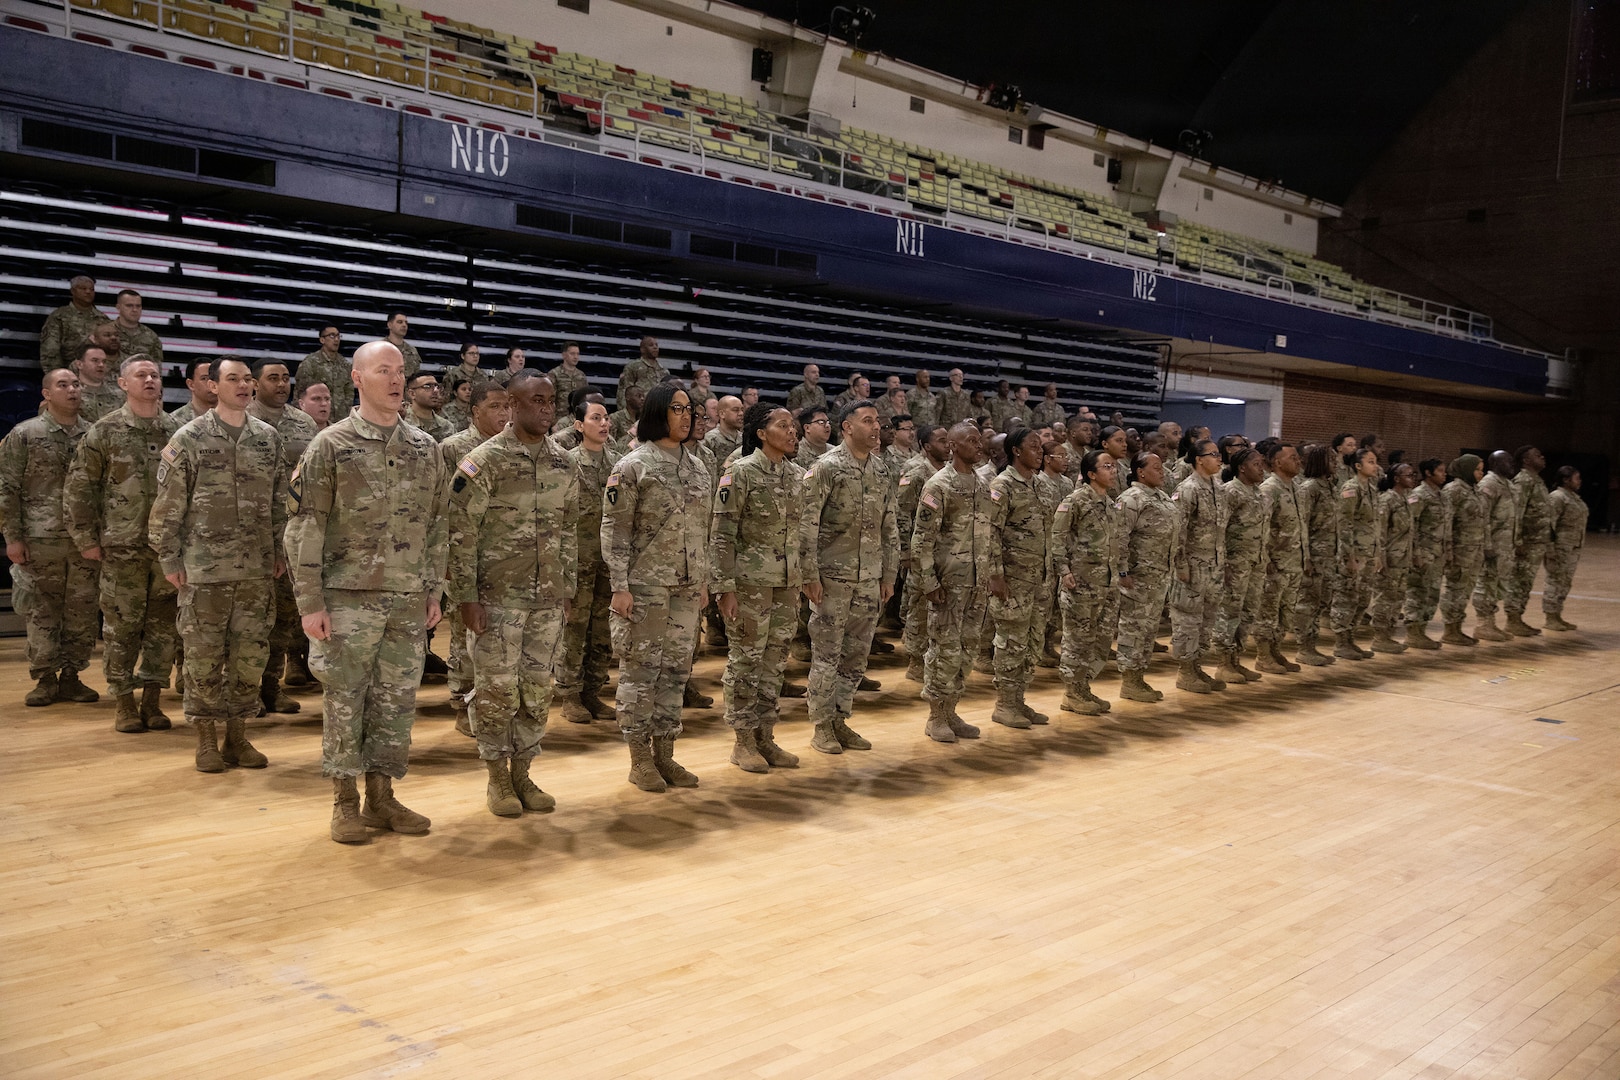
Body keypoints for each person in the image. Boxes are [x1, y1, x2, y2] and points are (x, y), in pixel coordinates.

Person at [285, 340, 448, 844]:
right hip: (347, 598)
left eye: (401, 371)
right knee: (344, 700)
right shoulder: (330, 445)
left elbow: (438, 523)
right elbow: (304, 526)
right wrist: (310, 602)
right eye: (384, 371)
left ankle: (382, 797)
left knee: (395, 702)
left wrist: (433, 589)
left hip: (406, 599)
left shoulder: (425, 448)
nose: (397, 380)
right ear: (357, 379)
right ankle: (344, 802)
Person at [447, 373, 576, 818]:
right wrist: (465, 596)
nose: (546, 408)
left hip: (547, 598)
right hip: (496, 598)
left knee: (538, 688)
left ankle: (523, 770)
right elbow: (460, 533)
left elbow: (570, 530)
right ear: (512, 405)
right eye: (536, 400)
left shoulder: (564, 462)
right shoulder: (484, 461)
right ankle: (496, 778)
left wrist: (567, 588)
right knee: (496, 691)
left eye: (551, 401)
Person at [149, 356, 287, 772]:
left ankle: (238, 738)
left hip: (257, 569)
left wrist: (280, 551)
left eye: (248, 379)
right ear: (212, 386)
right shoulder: (189, 438)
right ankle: (206, 740)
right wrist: (170, 556)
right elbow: (167, 506)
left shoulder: (268, 438)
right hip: (203, 569)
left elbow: (281, 502)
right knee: (203, 656)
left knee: (249, 656)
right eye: (233, 379)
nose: (243, 386)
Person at [601, 381, 712, 792]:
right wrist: (619, 586)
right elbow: (615, 529)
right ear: (657, 413)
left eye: (690, 409)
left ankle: (666, 754)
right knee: (639, 673)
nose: (687, 416)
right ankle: (639, 759)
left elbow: (705, 528)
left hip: (685, 587)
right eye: (677, 409)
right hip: (644, 586)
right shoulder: (632, 465)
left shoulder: (698, 466)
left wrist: (702, 581)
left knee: (676, 673)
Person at [64, 355, 180, 733]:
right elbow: (80, 487)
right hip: (122, 545)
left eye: (154, 375)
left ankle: (152, 699)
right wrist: (85, 538)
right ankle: (124, 702)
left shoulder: (176, 431)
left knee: (163, 628)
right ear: (122, 383)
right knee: (121, 627)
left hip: (165, 549)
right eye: (140, 375)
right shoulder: (105, 431)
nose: (149, 380)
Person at [797, 401, 897, 752]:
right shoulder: (826, 468)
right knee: (827, 655)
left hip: (869, 578)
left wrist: (889, 574)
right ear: (847, 427)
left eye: (878, 422)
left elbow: (889, 526)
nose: (876, 427)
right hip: (831, 579)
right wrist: (809, 574)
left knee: (856, 655)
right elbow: (806, 525)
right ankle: (821, 726)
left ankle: (841, 719)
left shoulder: (882, 470)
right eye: (868, 421)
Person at [711, 403, 805, 773]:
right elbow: (721, 536)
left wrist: (806, 577)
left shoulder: (797, 475)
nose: (793, 431)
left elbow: (803, 533)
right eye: (784, 426)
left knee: (775, 660)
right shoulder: (740, 472)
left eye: (794, 426)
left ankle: (766, 736)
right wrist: (723, 588)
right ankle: (743, 741)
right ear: (762, 433)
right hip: (749, 583)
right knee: (746, 661)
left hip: (786, 583)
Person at [1, 368, 100, 707]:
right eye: (63, 385)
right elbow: (7, 488)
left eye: (76, 384)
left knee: (82, 612)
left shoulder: (93, 435)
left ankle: (72, 675)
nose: (72, 389)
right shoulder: (25, 434)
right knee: (42, 611)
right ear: (46, 394)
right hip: (40, 538)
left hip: (84, 540)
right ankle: (44, 677)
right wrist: (12, 537)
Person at [435, 381, 512, 733]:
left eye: (506, 406)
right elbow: (441, 506)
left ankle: (495, 704)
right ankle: (463, 703)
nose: (503, 413)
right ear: (475, 410)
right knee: (464, 634)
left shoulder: (512, 448)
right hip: (465, 554)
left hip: (506, 558)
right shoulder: (453, 448)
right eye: (495, 406)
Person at [248, 357, 321, 714]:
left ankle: (270, 687)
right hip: (248, 537)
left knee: (283, 621)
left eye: (285, 378)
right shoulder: (242, 420)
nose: (280, 384)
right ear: (255, 383)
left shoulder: (304, 423)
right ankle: (245, 694)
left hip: (290, 536)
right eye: (272, 378)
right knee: (249, 623)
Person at [911, 422, 990, 742]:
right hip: (949, 583)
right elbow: (921, 540)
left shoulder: (983, 484)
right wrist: (928, 582)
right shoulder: (938, 485)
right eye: (970, 441)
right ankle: (936, 716)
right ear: (954, 446)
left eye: (979, 440)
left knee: (967, 650)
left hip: (976, 583)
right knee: (943, 650)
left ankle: (952, 709)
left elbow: (989, 534)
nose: (978, 445)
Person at [985, 427, 1055, 729]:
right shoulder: (1002, 485)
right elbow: (990, 533)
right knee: (1011, 642)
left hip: (1039, 578)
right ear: (1016, 451)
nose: (1040, 452)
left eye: (1041, 448)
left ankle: (1019, 700)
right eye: (1033, 447)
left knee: (1032, 642)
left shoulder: (1042, 486)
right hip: (1012, 579)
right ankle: (1004, 703)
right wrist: (996, 576)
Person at [556, 395, 619, 725]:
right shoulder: (566, 462)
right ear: (579, 426)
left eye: (606, 418)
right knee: (574, 628)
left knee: (602, 629)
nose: (604, 423)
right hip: (577, 559)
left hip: (608, 561)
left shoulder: (618, 464)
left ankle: (592, 691)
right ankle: (569, 693)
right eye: (596, 418)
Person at [1051, 449, 1119, 715]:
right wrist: (1063, 570)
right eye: (1106, 467)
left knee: (1099, 640)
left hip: (1106, 583)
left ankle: (1084, 686)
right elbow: (1057, 536)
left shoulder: (1110, 503)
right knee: (1077, 640)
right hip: (1080, 583)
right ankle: (1072, 693)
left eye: (1113, 466)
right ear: (1091, 474)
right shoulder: (1076, 500)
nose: (1112, 471)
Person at [1114, 452, 1178, 702]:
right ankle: (1129, 679)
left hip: (1159, 575)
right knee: (1133, 627)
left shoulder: (1161, 497)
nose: (1162, 471)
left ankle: (1139, 676)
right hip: (1138, 576)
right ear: (1140, 472)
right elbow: (1119, 537)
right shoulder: (1131, 499)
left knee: (1149, 629)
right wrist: (1122, 572)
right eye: (1156, 467)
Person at [1169, 438, 1228, 693]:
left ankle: (1197, 666)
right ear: (1198, 459)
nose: (1219, 458)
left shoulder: (1218, 486)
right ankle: (1185, 670)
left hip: (1214, 566)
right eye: (1213, 454)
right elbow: (1178, 530)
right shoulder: (1188, 489)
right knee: (1187, 620)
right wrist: (1181, 564)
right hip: (1192, 566)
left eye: (1218, 454)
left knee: (1207, 620)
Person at [897, 425, 948, 680]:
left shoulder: (950, 474)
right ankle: (915, 659)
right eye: (941, 441)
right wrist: (906, 551)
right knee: (918, 605)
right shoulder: (916, 472)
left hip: (945, 553)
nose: (947, 444)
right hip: (921, 550)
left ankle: (933, 656)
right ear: (927, 446)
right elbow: (902, 513)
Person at [1213, 447, 1268, 684]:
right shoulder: (1230, 492)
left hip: (1255, 561)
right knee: (1229, 612)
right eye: (1256, 464)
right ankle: (1223, 663)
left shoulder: (1260, 493)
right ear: (1242, 468)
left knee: (1248, 612)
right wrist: (1222, 563)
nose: (1261, 468)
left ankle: (1236, 659)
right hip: (1234, 563)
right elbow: (1219, 528)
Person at [1255, 441, 1306, 674]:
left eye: (1297, 457)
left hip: (1294, 560)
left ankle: (1276, 651)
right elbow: (1262, 527)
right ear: (1277, 462)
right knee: (1268, 611)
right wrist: (1265, 560)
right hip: (1275, 563)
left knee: (1286, 611)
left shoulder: (1296, 488)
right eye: (1292, 457)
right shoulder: (1269, 489)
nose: (1298, 461)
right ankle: (1263, 656)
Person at [1293, 444, 1343, 667]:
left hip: (1329, 555)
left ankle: (1312, 644)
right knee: (1307, 603)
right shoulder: (1309, 488)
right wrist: (1306, 557)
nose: (1336, 463)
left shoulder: (1330, 487)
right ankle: (1305, 647)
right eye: (1331, 459)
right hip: (1314, 555)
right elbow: (1302, 523)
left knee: (1322, 601)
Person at [1330, 447, 1381, 660]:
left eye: (1376, 461)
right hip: (1355, 552)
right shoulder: (1351, 488)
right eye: (1370, 461)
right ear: (1358, 466)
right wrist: (1348, 556)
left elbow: (1374, 524)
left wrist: (1377, 553)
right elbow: (1344, 523)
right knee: (1347, 596)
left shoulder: (1371, 488)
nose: (1375, 465)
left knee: (1362, 598)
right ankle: (1341, 642)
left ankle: (1351, 638)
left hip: (1369, 551)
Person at [1402, 458, 1451, 649]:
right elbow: (1410, 525)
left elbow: (1446, 526)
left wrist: (1448, 551)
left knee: (1432, 594)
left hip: (1438, 553)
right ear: (1428, 473)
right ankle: (1413, 632)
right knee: (1417, 591)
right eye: (1440, 471)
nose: (1444, 474)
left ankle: (1421, 630)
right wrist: (1415, 553)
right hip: (1423, 552)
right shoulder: (1419, 495)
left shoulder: (1442, 495)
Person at [1439, 454, 1487, 646]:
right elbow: (1447, 522)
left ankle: (1457, 626)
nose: (1481, 473)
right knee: (1455, 588)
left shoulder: (1476, 491)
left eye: (1482, 469)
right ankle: (1450, 629)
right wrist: (1448, 551)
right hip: (1459, 550)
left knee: (1466, 589)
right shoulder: (1454, 490)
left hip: (1475, 550)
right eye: (1477, 469)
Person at [1471, 450, 1519, 642]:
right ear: (1496, 464)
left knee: (1498, 585)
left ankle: (1491, 624)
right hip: (1493, 546)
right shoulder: (1489, 484)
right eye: (1507, 461)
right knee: (1487, 583)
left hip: (1505, 546)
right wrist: (1486, 545)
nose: (1511, 464)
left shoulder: (1508, 484)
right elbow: (1482, 517)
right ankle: (1483, 625)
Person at [1369, 462, 1417, 653]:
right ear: (1396, 478)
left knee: (1397, 598)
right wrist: (1380, 558)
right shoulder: (1387, 499)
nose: (1412, 478)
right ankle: (1379, 637)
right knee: (1384, 598)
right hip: (1389, 558)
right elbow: (1379, 532)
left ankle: (1388, 635)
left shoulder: (1405, 498)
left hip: (1402, 558)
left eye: (1413, 475)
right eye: (1408, 475)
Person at [1504, 446, 1549, 637]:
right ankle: (1513, 620)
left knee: (1526, 582)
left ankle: (1517, 618)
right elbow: (1517, 512)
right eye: (1537, 455)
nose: (1542, 457)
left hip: (1536, 542)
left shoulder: (1536, 480)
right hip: (1526, 543)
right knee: (1519, 581)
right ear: (1526, 460)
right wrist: (1518, 541)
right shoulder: (1523, 480)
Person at [1542, 467, 1587, 631]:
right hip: (1560, 547)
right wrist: (1550, 549)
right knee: (1554, 581)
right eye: (1576, 478)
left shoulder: (1574, 498)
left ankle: (1557, 614)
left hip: (1572, 547)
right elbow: (1548, 524)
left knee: (1565, 582)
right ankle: (1550, 617)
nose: (1579, 481)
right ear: (1566, 480)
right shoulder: (1557, 497)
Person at [39, 275, 106, 372]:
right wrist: (58, 376)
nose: (88, 292)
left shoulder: (103, 319)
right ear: (73, 291)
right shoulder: (59, 317)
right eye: (83, 288)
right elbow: (50, 351)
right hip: (69, 372)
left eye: (91, 289)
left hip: (97, 373)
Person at [299, 326, 353, 417]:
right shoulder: (311, 363)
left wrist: (346, 408)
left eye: (338, 336)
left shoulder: (345, 364)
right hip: (316, 417)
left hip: (340, 417)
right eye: (332, 336)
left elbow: (349, 391)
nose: (336, 339)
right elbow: (301, 391)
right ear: (322, 340)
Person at [71, 340, 124, 423]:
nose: (101, 365)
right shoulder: (70, 394)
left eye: (104, 361)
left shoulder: (119, 394)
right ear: (79, 364)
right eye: (95, 360)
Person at [112, 289, 164, 367]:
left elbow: (156, 368)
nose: (134, 310)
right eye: (129, 306)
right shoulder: (105, 332)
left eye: (138, 306)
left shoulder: (151, 337)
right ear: (118, 307)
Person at [615, 335, 668, 411]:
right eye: (651, 345)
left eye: (656, 345)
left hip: (659, 410)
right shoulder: (633, 366)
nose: (655, 347)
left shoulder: (664, 370)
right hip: (640, 410)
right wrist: (625, 412)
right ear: (642, 349)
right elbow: (625, 391)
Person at [402, 371, 453, 441]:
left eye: (436, 386)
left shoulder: (446, 426)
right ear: (412, 394)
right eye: (427, 386)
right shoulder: (402, 423)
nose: (435, 390)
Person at [170, 358, 217, 425]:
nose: (211, 383)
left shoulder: (232, 417)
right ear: (191, 384)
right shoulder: (174, 422)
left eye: (214, 378)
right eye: (204, 378)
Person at [704, 395, 744, 464]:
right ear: (722, 414)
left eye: (742, 410)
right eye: (735, 410)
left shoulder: (744, 439)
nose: (741, 413)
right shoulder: (710, 439)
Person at [384, 311, 422, 379]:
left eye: (406, 323)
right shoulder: (379, 348)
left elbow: (416, 376)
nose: (404, 325)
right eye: (400, 322)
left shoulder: (412, 351)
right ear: (389, 325)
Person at [608, 384, 644, 452]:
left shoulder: (643, 419)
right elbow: (610, 443)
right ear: (628, 397)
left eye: (643, 396)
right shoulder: (615, 418)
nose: (642, 399)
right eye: (638, 396)